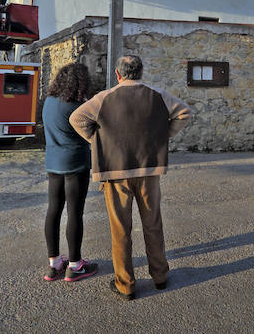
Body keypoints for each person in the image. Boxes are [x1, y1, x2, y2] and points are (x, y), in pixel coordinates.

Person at [70, 55, 192, 300]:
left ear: (118, 74)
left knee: (120, 229)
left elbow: (76, 118)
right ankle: (160, 276)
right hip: (149, 170)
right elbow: (184, 114)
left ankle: (125, 284)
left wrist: (99, 141)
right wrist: (161, 137)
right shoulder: (158, 94)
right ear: (141, 72)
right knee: (153, 224)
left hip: (115, 172)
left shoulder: (104, 97)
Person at [41, 63, 98, 282]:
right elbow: (92, 131)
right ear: (80, 82)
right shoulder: (76, 106)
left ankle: (54, 264)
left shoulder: (49, 102)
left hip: (53, 163)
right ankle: (75, 265)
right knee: (75, 213)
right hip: (75, 165)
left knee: (53, 210)